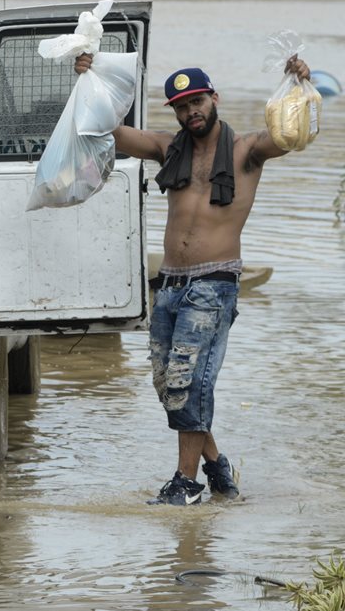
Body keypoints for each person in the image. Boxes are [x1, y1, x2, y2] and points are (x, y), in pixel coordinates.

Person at [74, 53, 313, 505]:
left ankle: (185, 483)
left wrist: (301, 84)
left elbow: (292, 136)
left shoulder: (247, 151)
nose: (191, 112)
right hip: (169, 285)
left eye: (197, 101)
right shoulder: (169, 147)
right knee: (168, 385)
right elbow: (108, 130)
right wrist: (92, 79)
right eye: (182, 107)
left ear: (214, 98)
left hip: (214, 283)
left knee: (187, 381)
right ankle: (219, 470)